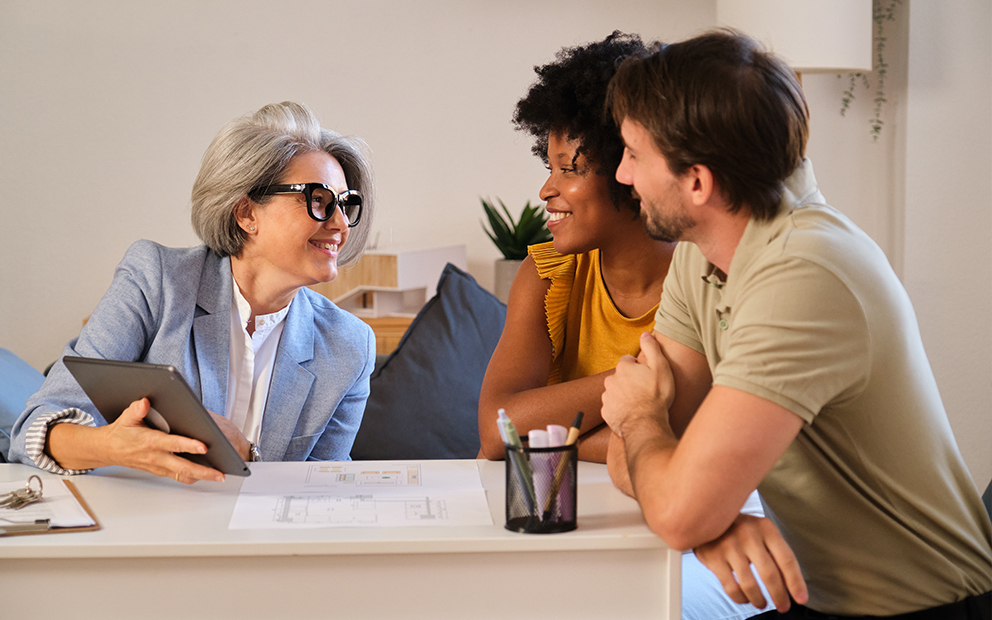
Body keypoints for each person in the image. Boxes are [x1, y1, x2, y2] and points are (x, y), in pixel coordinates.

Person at [600, 30, 992, 619]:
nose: (624, 176)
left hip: (928, 607)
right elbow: (643, 469)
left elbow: (659, 469)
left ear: (698, 182)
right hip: (820, 600)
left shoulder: (805, 275)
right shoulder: (701, 251)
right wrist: (716, 522)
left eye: (633, 154)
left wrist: (639, 418)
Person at [479, 32, 771, 620]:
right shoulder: (545, 277)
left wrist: (557, 437)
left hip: (695, 527)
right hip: (588, 524)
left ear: (631, 171)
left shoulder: (707, 282)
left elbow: (693, 460)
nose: (547, 189)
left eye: (572, 168)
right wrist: (632, 382)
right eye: (549, 165)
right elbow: (495, 431)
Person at [9, 101, 377, 484]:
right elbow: (34, 428)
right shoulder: (157, 281)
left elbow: (323, 486)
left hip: (267, 541)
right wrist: (116, 445)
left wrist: (249, 457)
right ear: (246, 213)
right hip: (146, 530)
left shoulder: (349, 345)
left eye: (345, 204)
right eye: (318, 200)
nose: (339, 224)